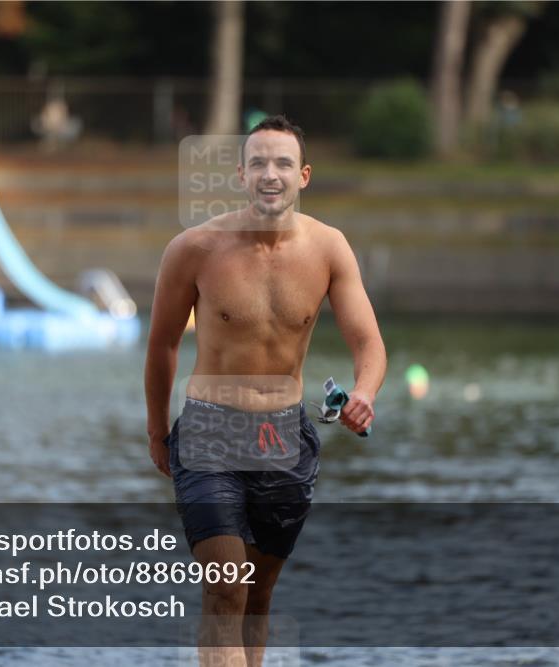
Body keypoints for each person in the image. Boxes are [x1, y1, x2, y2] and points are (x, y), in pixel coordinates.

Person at [144, 116, 387, 666]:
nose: (269, 174)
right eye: (258, 163)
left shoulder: (329, 248)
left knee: (257, 596)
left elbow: (367, 341)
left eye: (282, 163)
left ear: (303, 175)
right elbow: (162, 346)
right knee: (225, 586)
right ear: (241, 174)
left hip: (283, 436)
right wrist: (157, 430)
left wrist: (365, 392)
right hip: (208, 432)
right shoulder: (194, 248)